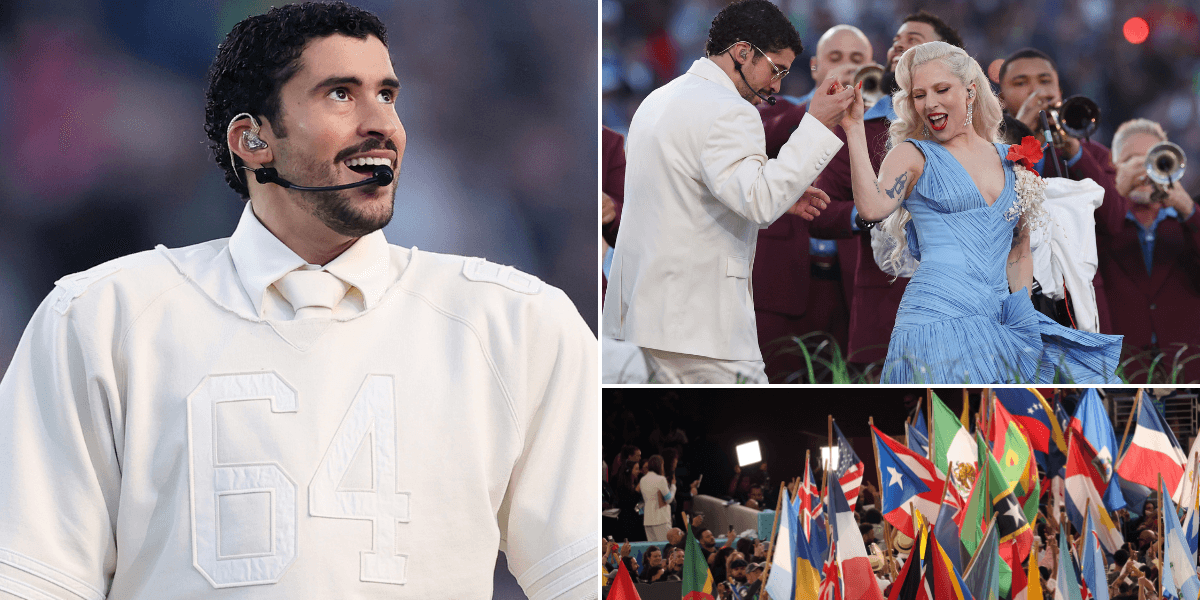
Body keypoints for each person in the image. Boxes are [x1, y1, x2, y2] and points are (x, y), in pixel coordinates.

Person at [0, 4, 596, 599]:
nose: (381, 124)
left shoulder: (519, 323)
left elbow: (587, 576)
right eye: (340, 95)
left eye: (387, 96)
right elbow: (37, 579)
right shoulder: (99, 319)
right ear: (252, 140)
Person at [602, 0, 855, 384]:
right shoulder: (731, 111)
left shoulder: (656, 100)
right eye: (776, 69)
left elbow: (691, 188)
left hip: (639, 316)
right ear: (741, 52)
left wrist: (780, 191)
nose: (777, 86)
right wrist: (817, 122)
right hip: (704, 326)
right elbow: (761, 202)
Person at [841, 40, 1123, 383]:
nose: (930, 103)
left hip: (1002, 320)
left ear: (970, 92)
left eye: (942, 89)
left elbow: (1019, 251)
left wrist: (1023, 323)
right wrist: (854, 129)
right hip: (936, 321)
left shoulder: (1012, 158)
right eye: (919, 95)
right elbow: (871, 207)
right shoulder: (911, 154)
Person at [812, 10, 966, 378]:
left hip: (964, 309)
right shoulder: (858, 128)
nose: (899, 47)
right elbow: (819, 207)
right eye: (896, 42)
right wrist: (867, 213)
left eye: (913, 40)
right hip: (885, 310)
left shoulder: (976, 135)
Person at [753, 24, 874, 381]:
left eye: (857, 60)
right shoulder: (778, 109)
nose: (846, 67)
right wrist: (819, 109)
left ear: (871, 68)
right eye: (836, 58)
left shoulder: (881, 125)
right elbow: (761, 137)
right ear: (816, 67)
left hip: (849, 282)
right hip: (782, 281)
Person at [997, 47, 1121, 333]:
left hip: (1079, 306)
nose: (1036, 91)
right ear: (1001, 99)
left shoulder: (1095, 156)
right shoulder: (987, 154)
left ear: (1059, 91)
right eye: (1021, 83)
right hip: (1012, 297)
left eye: (1044, 81)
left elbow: (1114, 220)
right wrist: (1019, 137)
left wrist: (1077, 154)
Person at [1101, 118, 1200, 382]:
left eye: (1154, 159)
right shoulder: (1099, 222)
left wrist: (1188, 209)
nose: (1145, 170)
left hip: (1188, 369)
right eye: (1133, 160)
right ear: (1113, 166)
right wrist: (1116, 192)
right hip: (1124, 372)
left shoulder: (1188, 220)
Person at [640, 455, 675, 541]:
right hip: (661, 519)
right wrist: (673, 487)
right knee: (665, 548)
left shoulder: (642, 480)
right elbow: (669, 499)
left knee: (653, 551)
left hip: (647, 520)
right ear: (660, 465)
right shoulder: (661, 479)